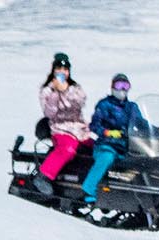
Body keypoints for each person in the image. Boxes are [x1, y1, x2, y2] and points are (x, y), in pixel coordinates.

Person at [84, 73, 151, 208]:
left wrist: (156, 130)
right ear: (112, 87)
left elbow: (140, 123)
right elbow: (94, 125)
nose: (122, 90)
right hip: (107, 145)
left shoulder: (132, 107)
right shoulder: (104, 105)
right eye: (119, 86)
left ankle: (139, 195)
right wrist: (107, 132)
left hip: (127, 146)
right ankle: (89, 188)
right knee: (107, 158)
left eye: (125, 86)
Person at [32, 53, 88, 198]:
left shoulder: (75, 88)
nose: (62, 72)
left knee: (98, 145)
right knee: (68, 148)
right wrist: (56, 93)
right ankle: (44, 175)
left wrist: (66, 91)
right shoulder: (47, 90)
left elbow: (79, 102)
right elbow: (49, 112)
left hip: (80, 129)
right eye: (59, 69)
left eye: (65, 69)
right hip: (60, 129)